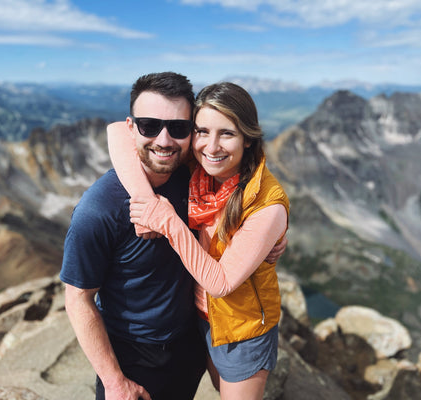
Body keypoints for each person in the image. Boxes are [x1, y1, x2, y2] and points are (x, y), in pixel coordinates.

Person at [108, 81, 290, 400]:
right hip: (203, 318)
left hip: (241, 329)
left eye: (227, 133)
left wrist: (167, 222)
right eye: (203, 131)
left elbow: (220, 283)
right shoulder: (202, 168)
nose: (211, 146)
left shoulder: (266, 205)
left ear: (248, 138)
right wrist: (145, 202)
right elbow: (117, 132)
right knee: (222, 389)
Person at [60, 72, 205, 400]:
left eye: (178, 128)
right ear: (131, 128)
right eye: (149, 126)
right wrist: (113, 381)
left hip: (189, 346)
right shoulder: (98, 210)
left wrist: (273, 235)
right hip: (133, 358)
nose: (165, 140)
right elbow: (78, 299)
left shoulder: (191, 172)